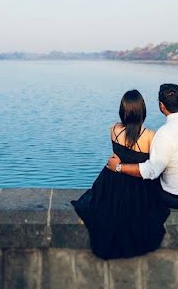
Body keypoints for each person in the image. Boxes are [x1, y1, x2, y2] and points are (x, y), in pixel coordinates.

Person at [71, 90, 170, 259]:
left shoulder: (114, 129)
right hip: (137, 186)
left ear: (122, 111)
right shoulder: (150, 136)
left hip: (112, 182)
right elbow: (151, 167)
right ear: (142, 111)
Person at [107, 83, 178, 209]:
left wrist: (119, 167)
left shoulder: (164, 133)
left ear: (161, 106)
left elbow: (152, 171)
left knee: (151, 185)